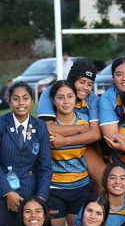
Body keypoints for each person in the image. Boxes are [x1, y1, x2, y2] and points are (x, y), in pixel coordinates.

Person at [0, 82, 52, 226]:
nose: (21, 103)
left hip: (30, 194)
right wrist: (8, 192)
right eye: (16, 98)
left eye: (25, 98)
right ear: (9, 101)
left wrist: (40, 199)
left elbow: (45, 166)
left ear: (32, 101)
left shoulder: (40, 126)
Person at [38, 60, 104, 189]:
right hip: (55, 147)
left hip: (85, 145)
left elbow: (95, 134)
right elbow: (48, 128)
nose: (85, 87)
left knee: (103, 178)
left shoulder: (93, 99)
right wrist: (81, 128)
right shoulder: (52, 92)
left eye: (89, 84)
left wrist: (66, 140)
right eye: (81, 82)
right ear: (71, 79)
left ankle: (97, 206)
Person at [47, 80, 100, 226]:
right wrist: (78, 130)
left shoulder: (86, 122)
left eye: (70, 96)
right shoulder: (47, 126)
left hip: (80, 187)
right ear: (53, 100)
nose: (65, 102)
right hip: (55, 188)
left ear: (75, 98)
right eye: (60, 97)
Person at [71, 162, 125, 226]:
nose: (117, 182)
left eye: (123, 178)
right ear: (105, 180)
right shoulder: (94, 204)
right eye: (112, 178)